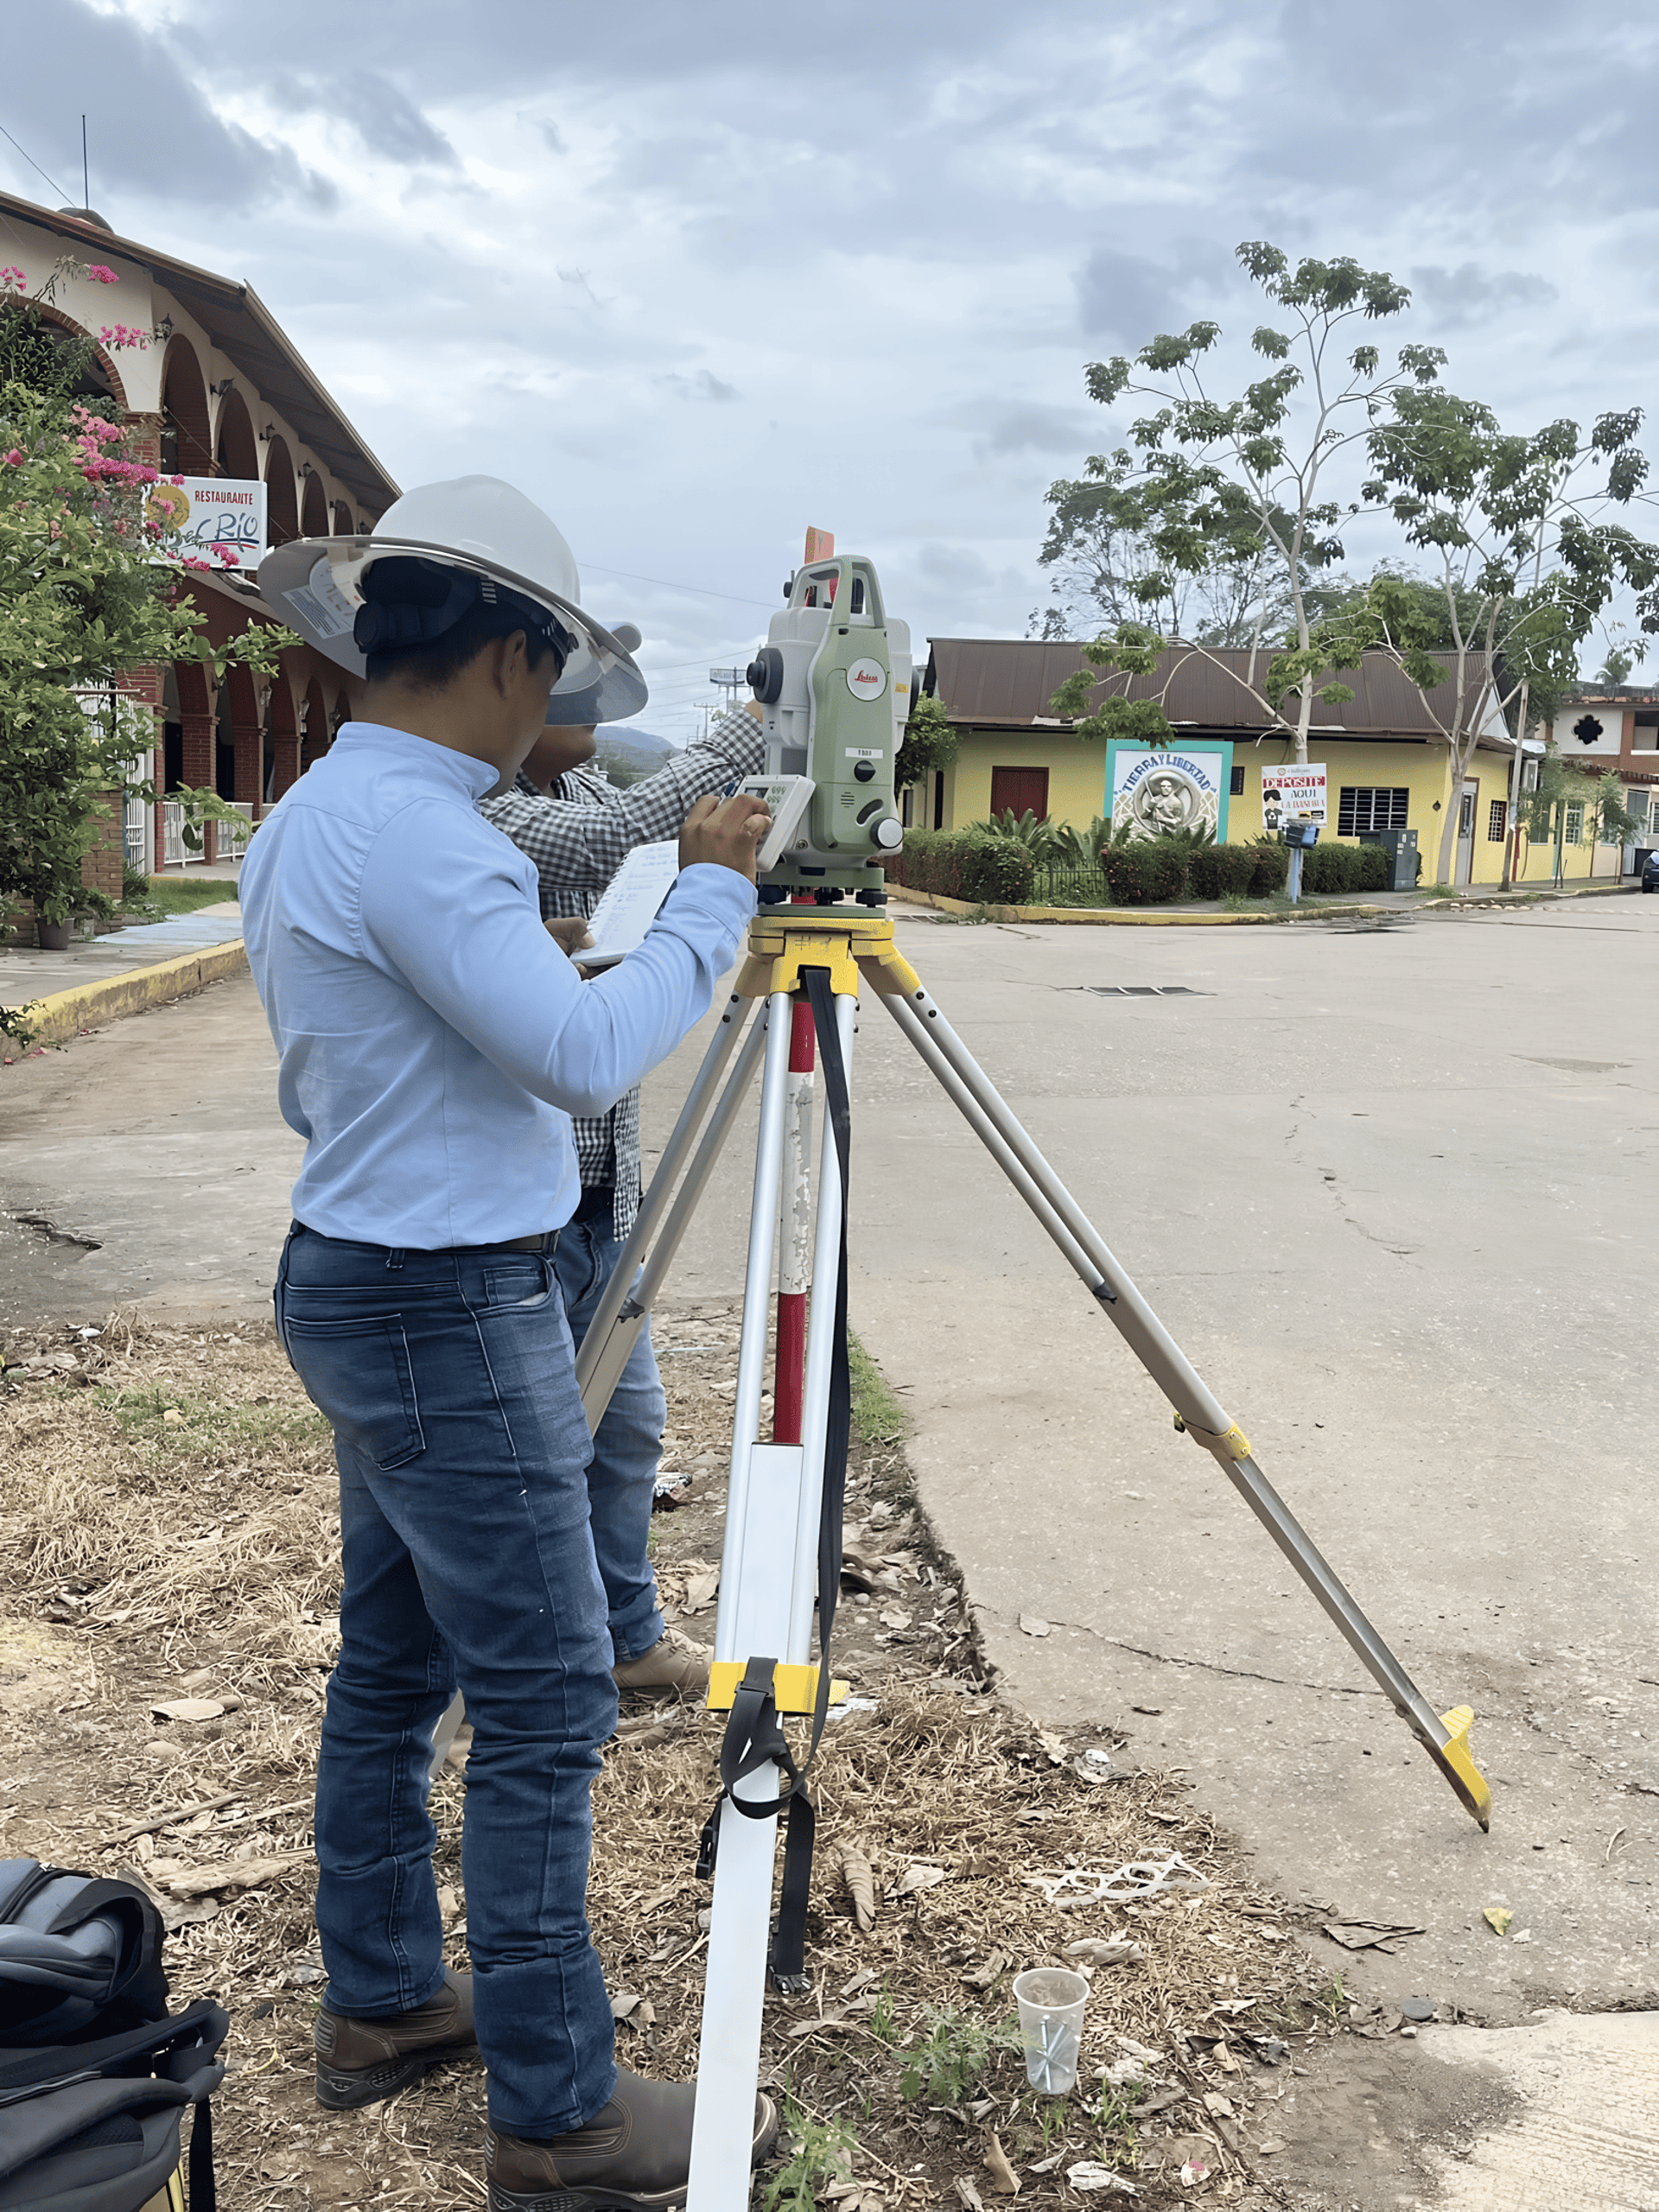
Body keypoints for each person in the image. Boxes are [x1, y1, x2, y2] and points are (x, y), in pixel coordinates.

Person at [245, 476, 776, 2207]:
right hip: (445, 1305)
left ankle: (385, 1997)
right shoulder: (419, 832)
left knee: (397, 1668)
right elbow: (579, 1048)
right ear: (500, 653)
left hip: (365, 1273)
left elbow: (466, 1029)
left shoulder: (327, 808)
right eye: (546, 680)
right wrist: (708, 896)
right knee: (548, 1699)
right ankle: (562, 2116)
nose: (548, 717)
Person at [480, 688, 765, 1700]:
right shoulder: (491, 804)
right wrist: (767, 717)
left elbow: (612, 827)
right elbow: (606, 833)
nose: (595, 709)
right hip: (522, 1204)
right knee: (536, 1446)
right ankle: (514, 1667)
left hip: (607, 1187)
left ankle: (626, 1634)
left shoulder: (588, 787)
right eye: (573, 687)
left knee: (628, 1425)